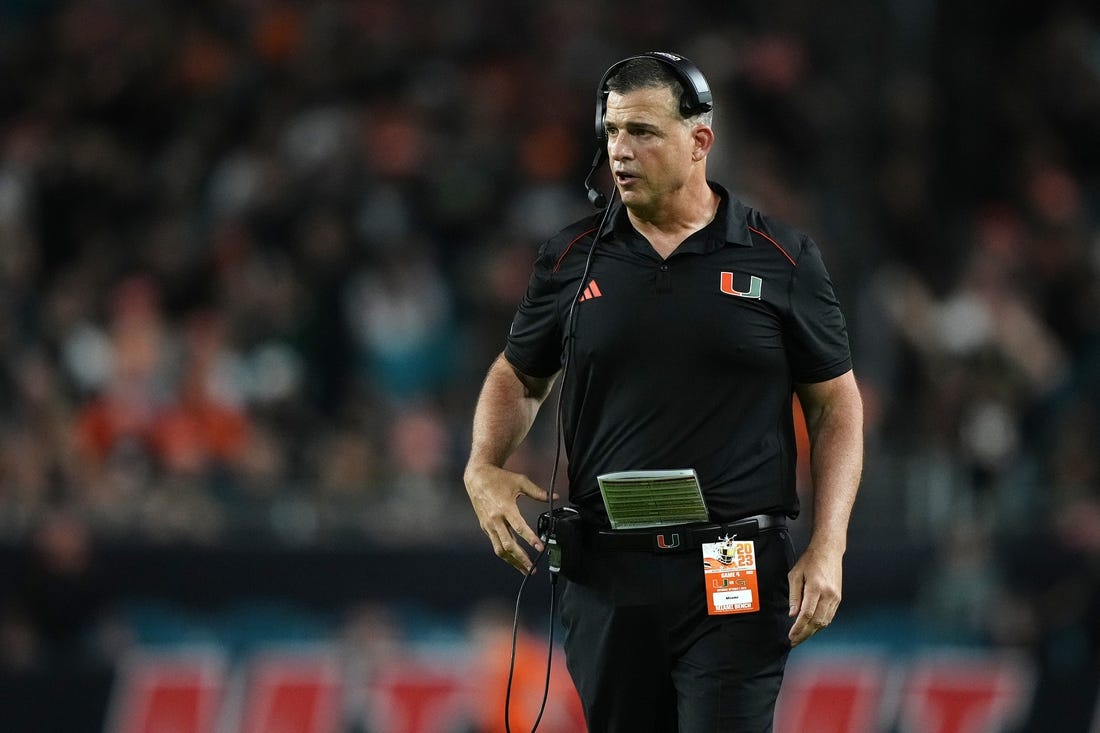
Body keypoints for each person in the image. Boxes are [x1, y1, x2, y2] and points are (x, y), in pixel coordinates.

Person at [463, 51, 863, 733]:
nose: (621, 149)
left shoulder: (782, 257)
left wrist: (829, 543)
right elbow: (517, 375)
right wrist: (482, 467)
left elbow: (836, 405)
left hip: (732, 561)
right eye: (613, 131)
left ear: (699, 140)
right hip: (608, 570)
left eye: (643, 131)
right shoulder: (569, 257)